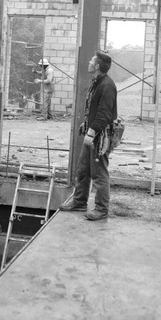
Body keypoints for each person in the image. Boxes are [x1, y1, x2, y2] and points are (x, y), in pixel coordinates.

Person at [60, 51, 117, 221]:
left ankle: (101, 210)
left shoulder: (107, 85)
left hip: (100, 137)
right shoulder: (97, 82)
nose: (89, 62)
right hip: (91, 133)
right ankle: (79, 202)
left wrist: (91, 132)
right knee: (83, 170)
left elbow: (105, 114)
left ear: (97, 66)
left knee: (99, 174)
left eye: (92, 60)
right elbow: (93, 108)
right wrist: (86, 123)